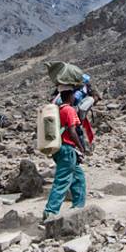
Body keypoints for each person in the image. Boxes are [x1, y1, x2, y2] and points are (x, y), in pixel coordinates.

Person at [43, 88, 88, 220]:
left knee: (78, 178)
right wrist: (81, 147)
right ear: (70, 96)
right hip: (67, 149)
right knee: (62, 180)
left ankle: (78, 207)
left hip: (59, 149)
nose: (75, 97)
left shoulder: (58, 110)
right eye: (73, 95)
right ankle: (50, 211)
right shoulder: (69, 110)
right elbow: (72, 131)